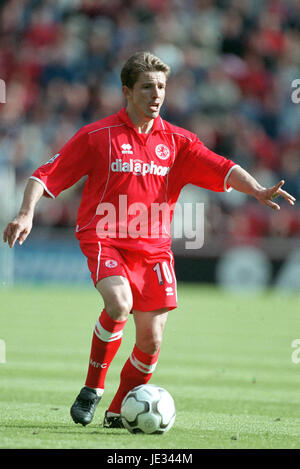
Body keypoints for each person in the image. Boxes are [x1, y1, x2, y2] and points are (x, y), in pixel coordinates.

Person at [3, 52, 295, 429]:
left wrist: (256, 190)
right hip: (104, 237)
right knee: (119, 302)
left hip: (154, 248)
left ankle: (117, 411)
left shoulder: (178, 141)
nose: (156, 94)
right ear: (127, 91)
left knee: (151, 341)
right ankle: (92, 390)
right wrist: (26, 213)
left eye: (161, 87)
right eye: (147, 87)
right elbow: (43, 175)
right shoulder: (98, 135)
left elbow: (222, 166)